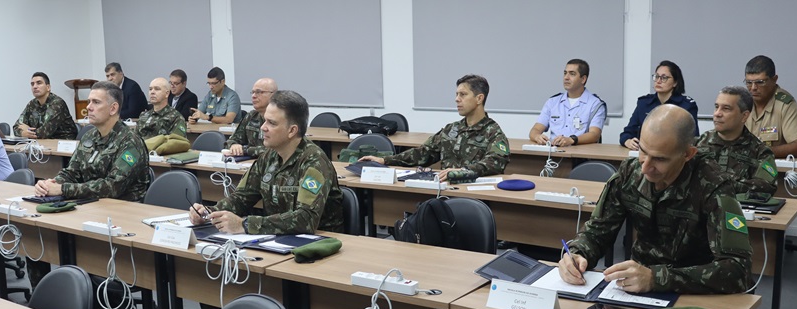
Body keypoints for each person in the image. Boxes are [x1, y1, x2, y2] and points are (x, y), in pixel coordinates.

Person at [561, 105, 752, 309]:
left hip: (692, 293)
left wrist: (656, 278)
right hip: (634, 290)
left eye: (660, 159)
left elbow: (738, 269)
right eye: (643, 152)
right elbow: (597, 230)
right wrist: (577, 253)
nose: (646, 167)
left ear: (688, 154)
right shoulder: (630, 172)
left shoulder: (713, 186)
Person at [189, 90, 343, 235]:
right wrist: (210, 212)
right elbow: (241, 198)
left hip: (318, 245)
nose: (263, 127)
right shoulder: (268, 156)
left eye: (272, 123)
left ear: (292, 130)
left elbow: (306, 219)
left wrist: (245, 224)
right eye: (264, 121)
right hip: (277, 238)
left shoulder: (314, 161)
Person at [359, 74, 510, 178]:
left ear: (479, 98)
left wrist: (462, 172)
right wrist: (385, 160)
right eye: (456, 94)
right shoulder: (451, 129)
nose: (456, 99)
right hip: (444, 192)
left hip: (472, 197)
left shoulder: (494, 133)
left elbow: (494, 163)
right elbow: (423, 153)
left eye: (462, 95)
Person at [35, 81, 151, 202]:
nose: (88, 107)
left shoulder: (131, 142)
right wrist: (50, 184)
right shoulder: (89, 136)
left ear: (113, 108)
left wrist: (63, 189)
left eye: (96, 102)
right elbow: (72, 172)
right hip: (91, 204)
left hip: (122, 210)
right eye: (89, 102)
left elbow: (112, 186)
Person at [696, 86, 777, 195]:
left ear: (744, 116)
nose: (717, 114)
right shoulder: (700, 143)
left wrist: (721, 183)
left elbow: (767, 186)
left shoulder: (760, 151)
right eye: (716, 107)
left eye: (726, 108)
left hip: (739, 210)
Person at [620, 60, 698, 149]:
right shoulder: (644, 103)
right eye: (656, 77)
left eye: (664, 78)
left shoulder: (686, 106)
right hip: (645, 153)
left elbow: (693, 139)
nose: (658, 81)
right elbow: (627, 133)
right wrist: (628, 141)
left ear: (675, 82)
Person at [529, 59, 606, 146]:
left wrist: (572, 140)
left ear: (583, 79)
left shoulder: (595, 104)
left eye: (572, 74)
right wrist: (537, 137)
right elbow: (535, 129)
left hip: (580, 156)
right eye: (565, 73)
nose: (566, 77)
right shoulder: (553, 102)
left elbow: (595, 135)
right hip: (553, 154)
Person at [743, 55, 797, 158]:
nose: (753, 88)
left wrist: (761, 152)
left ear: (774, 79)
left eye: (760, 82)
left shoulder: (785, 104)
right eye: (749, 83)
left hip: (773, 170)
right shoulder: (742, 102)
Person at [13, 72, 77, 140]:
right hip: (42, 144)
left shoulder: (57, 103)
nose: (35, 86)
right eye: (32, 84)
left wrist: (27, 130)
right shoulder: (32, 104)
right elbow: (16, 127)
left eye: (39, 83)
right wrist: (23, 133)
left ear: (48, 87)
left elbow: (43, 133)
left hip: (62, 144)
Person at [224, 78, 277, 157]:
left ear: (273, 95)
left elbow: (275, 150)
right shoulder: (251, 116)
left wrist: (245, 150)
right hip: (250, 164)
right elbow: (231, 140)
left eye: (259, 92)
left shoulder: (281, 118)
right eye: (252, 92)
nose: (253, 96)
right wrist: (234, 145)